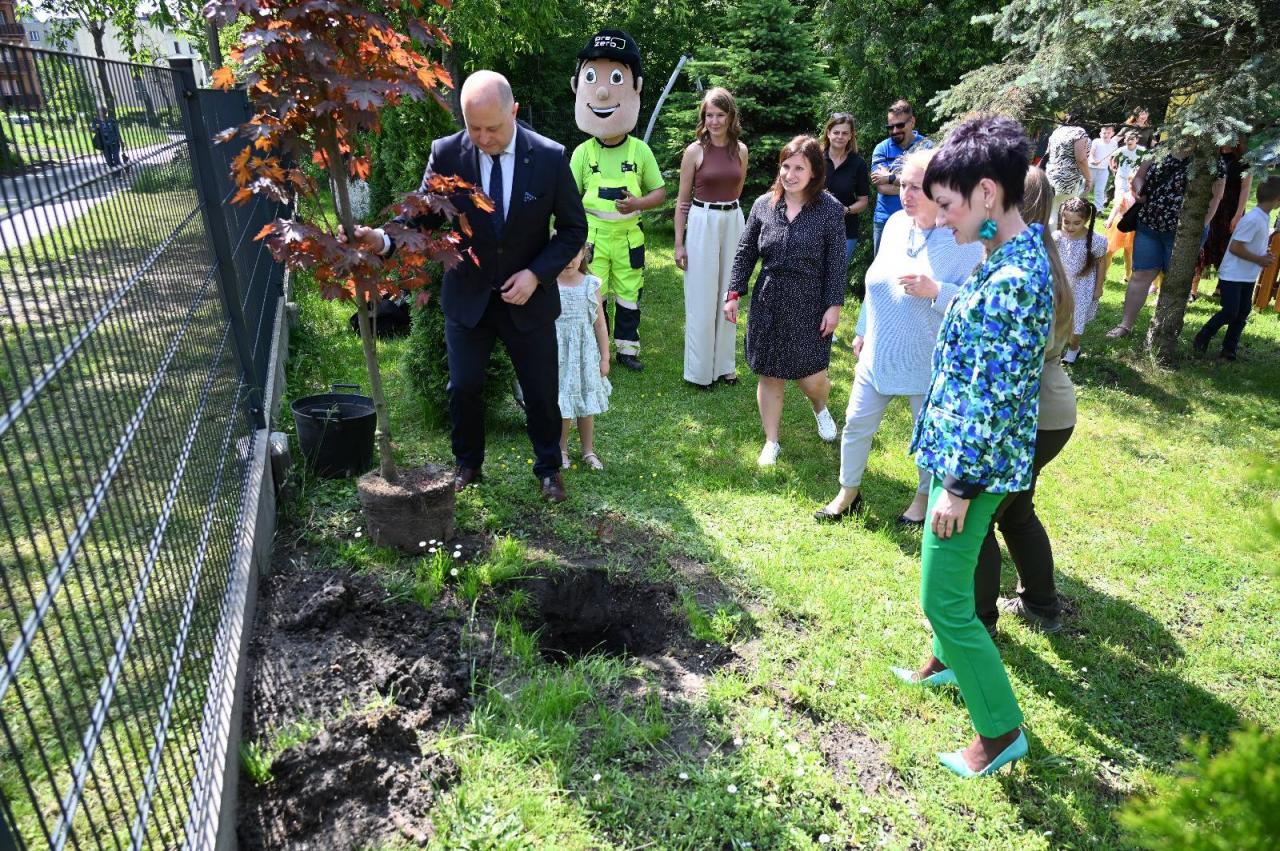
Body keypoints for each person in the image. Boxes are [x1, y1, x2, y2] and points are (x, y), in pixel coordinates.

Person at [891, 115, 1052, 778]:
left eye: (948, 203)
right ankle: (945, 659)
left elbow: (998, 395)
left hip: (974, 470)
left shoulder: (1016, 282)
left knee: (944, 598)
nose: (938, 216)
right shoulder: (1004, 256)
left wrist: (954, 485)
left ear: (989, 194)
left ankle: (1000, 729)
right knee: (949, 592)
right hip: (967, 457)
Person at [352, 71, 588, 503]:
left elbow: (574, 230)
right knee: (463, 387)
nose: (482, 137)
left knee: (540, 391)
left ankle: (549, 470)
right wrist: (384, 240)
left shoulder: (551, 157)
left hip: (528, 299)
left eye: (493, 128)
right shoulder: (446, 154)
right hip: (468, 295)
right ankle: (468, 464)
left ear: (513, 112)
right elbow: (420, 217)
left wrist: (536, 274)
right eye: (473, 127)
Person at [814, 148, 981, 523]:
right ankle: (847, 492)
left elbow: (978, 307)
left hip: (927, 355)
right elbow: (877, 280)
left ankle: (922, 500)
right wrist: (861, 329)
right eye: (902, 184)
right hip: (879, 349)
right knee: (856, 422)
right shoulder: (893, 226)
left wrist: (937, 290)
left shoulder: (962, 240)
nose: (904, 194)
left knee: (926, 436)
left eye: (915, 187)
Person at [973, 165, 1077, 637]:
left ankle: (978, 625)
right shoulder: (1047, 259)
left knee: (976, 521)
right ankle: (1041, 604)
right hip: (1052, 413)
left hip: (1027, 416)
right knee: (1016, 511)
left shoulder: (1019, 270)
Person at [726, 135, 846, 467]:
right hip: (769, 300)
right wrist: (733, 293)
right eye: (785, 166)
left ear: (814, 173)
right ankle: (772, 441)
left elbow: (837, 261)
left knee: (812, 378)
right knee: (770, 374)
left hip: (811, 302)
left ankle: (819, 406)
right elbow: (745, 252)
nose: (789, 174)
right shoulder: (764, 205)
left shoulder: (830, 210)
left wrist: (834, 305)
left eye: (798, 168)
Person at [570, 29, 668, 371]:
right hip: (594, 239)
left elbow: (660, 192)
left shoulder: (640, 151)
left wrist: (637, 204)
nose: (601, 91)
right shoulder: (582, 153)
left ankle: (627, 350)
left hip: (628, 239)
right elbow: (568, 198)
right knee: (595, 294)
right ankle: (599, 349)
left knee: (628, 294)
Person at [1104, 142, 1226, 339]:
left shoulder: (1211, 159)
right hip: (1149, 224)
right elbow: (1139, 177)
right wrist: (1140, 190)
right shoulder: (1160, 149)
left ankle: (1164, 330)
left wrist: (1201, 225)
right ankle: (1125, 326)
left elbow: (1216, 196)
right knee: (1141, 275)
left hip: (1183, 232)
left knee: (1174, 281)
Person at [674, 87, 748, 389]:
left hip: (732, 220)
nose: (714, 121)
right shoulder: (695, 151)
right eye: (709, 115)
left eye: (720, 115)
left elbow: (738, 189)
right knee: (702, 297)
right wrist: (679, 242)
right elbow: (682, 202)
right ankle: (700, 370)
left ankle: (725, 365)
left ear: (730, 116)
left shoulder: (741, 150)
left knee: (729, 293)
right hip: (702, 221)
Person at [1193, 177, 1280, 360]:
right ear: (1277, 200)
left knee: (1242, 313)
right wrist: (1259, 258)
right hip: (1233, 274)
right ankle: (1203, 336)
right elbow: (1235, 247)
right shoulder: (1254, 219)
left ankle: (1229, 349)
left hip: (1247, 275)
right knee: (1230, 311)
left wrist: (1263, 253)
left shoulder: (1263, 217)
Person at [556, 243, 612, 467]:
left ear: (583, 255)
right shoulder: (549, 284)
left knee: (586, 403)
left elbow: (600, 325)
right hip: (559, 353)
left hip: (585, 353)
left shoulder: (591, 284)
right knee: (563, 403)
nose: (568, 261)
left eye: (574, 255)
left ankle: (588, 451)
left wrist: (605, 357)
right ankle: (561, 450)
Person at [869, 100, 934, 256]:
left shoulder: (927, 147)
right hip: (885, 218)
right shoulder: (881, 148)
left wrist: (890, 177)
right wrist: (914, 184)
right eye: (890, 127)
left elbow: (929, 184)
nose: (894, 130)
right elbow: (881, 186)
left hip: (920, 219)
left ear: (912, 122)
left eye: (899, 125)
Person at [1193, 140, 1252, 300]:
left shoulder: (1243, 160)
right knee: (1203, 243)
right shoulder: (1210, 155)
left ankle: (1221, 286)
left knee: (1226, 247)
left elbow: (1246, 187)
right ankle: (1192, 288)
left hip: (1231, 209)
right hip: (1211, 206)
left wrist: (1239, 214)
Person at [1054, 197, 1107, 363]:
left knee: (1075, 322)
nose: (1070, 227)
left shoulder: (1095, 241)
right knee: (1056, 319)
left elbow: (1101, 263)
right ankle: (1053, 349)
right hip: (1060, 286)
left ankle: (1074, 348)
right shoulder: (1057, 237)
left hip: (1081, 287)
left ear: (1086, 220)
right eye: (1066, 222)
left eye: (1076, 223)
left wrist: (1099, 287)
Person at [821, 112, 871, 266]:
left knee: (837, 276)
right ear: (828, 133)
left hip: (846, 230)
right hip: (815, 227)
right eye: (836, 132)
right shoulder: (816, 159)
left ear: (850, 136)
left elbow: (863, 201)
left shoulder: (858, 164)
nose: (840, 136)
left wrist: (847, 210)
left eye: (845, 133)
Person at [1043, 113, 1090, 226]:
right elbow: (1081, 159)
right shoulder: (1079, 132)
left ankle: (1045, 239)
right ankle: (1053, 241)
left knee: (1051, 210)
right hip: (1067, 179)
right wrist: (1088, 178)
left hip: (1051, 174)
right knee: (1060, 211)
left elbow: (1048, 152)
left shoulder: (1057, 131)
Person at [1087, 125, 1117, 211]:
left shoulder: (1114, 144)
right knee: (1086, 188)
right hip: (1091, 169)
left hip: (1104, 170)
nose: (1106, 135)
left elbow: (1113, 157)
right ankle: (1080, 204)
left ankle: (1098, 209)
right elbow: (1091, 153)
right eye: (1104, 133)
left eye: (1108, 133)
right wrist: (1093, 160)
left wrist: (1112, 166)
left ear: (1112, 134)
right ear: (1100, 134)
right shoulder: (1096, 141)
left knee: (1100, 190)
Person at [1110, 130, 1145, 199]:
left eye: (1132, 139)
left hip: (1134, 179)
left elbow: (1148, 159)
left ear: (1137, 140)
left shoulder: (1142, 150)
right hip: (1121, 177)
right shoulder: (1122, 150)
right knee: (1119, 197)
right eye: (1128, 139)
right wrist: (1112, 166)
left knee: (1132, 198)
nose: (1130, 141)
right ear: (1124, 140)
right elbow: (1112, 157)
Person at [90, 107, 122, 171]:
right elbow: (92, 130)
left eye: (104, 111)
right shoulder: (96, 121)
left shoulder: (111, 120)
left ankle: (118, 173)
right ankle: (113, 170)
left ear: (106, 112)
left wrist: (121, 141)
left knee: (116, 159)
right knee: (108, 160)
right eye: (101, 111)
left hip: (114, 142)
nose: (102, 113)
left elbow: (117, 131)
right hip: (104, 144)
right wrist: (96, 128)